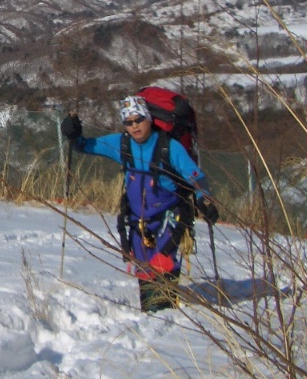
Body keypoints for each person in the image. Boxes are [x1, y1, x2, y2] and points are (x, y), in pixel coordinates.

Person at [61, 95, 218, 312]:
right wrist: (73, 134)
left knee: (163, 265)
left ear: (148, 118)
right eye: (128, 122)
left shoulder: (169, 147)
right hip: (137, 221)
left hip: (169, 219)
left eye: (139, 120)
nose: (134, 126)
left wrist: (205, 201)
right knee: (144, 269)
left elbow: (196, 176)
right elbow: (86, 146)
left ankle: (164, 313)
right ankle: (154, 312)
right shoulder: (122, 144)